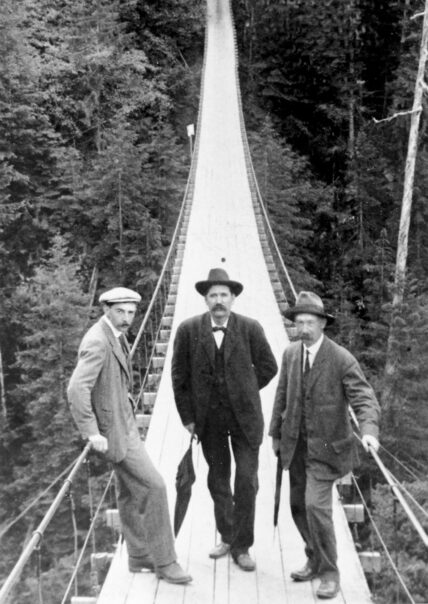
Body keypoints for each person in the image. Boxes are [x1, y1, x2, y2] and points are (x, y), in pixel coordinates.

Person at [67, 287, 192, 584]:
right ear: (106, 310)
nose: (127, 318)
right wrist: (91, 431)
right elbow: (76, 388)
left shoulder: (114, 335)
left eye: (132, 312)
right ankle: (166, 561)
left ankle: (138, 555)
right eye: (120, 311)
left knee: (126, 490)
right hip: (114, 433)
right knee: (155, 487)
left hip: (125, 426)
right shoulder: (98, 341)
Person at [269, 291, 380, 600]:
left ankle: (330, 573)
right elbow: (281, 395)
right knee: (296, 506)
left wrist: (369, 430)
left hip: (327, 449)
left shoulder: (341, 358)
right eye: (298, 322)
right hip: (296, 446)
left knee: (316, 506)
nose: (303, 328)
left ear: (322, 325)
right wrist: (276, 435)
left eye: (309, 322)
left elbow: (364, 398)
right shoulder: (291, 354)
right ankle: (314, 557)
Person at [171, 268, 278, 571]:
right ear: (205, 299)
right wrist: (188, 418)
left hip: (245, 419)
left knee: (246, 480)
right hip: (209, 421)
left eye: (223, 295)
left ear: (233, 298)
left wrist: (243, 388)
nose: (218, 300)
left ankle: (243, 546)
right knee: (218, 480)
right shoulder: (189, 330)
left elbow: (269, 366)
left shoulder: (250, 328)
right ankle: (228, 536)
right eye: (213, 295)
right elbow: (178, 378)